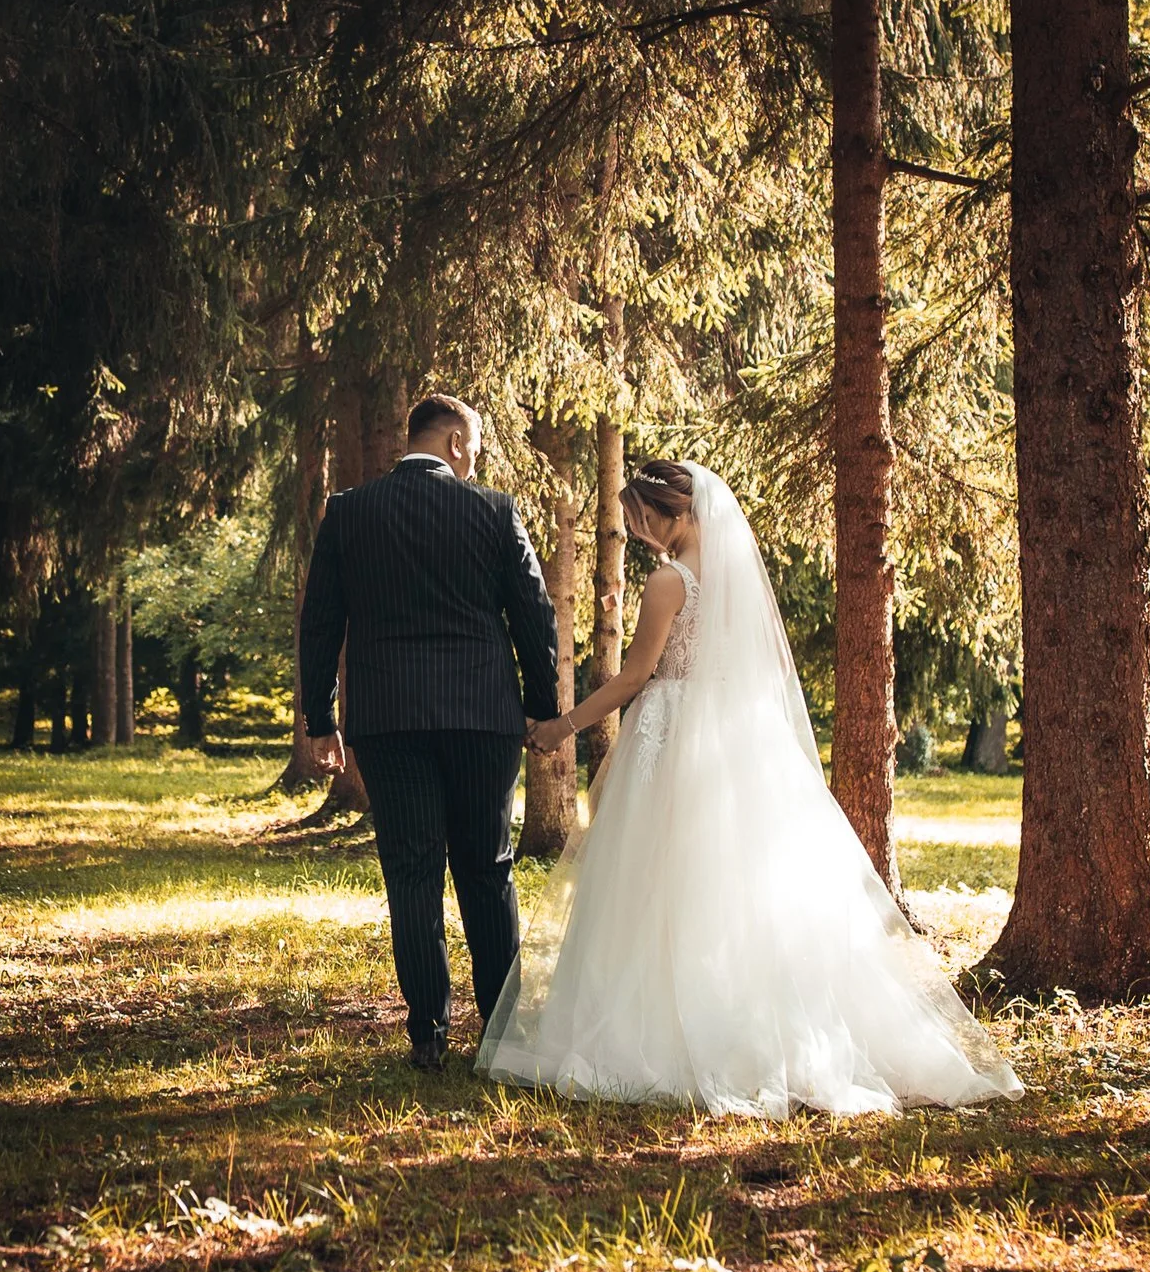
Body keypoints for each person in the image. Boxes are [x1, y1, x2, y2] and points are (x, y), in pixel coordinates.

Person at [479, 460, 1019, 1118]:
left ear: (676, 514)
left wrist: (562, 725)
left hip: (674, 737)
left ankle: (662, 1033)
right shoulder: (737, 581)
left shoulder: (667, 583)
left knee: (656, 882)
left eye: (643, 519)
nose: (639, 532)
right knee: (737, 886)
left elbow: (632, 680)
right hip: (740, 739)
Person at [298, 392, 562, 1071]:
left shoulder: (349, 513)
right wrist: (543, 708)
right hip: (482, 717)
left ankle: (428, 1033)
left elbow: (321, 621)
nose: (475, 460)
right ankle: (502, 1032)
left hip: (390, 721)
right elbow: (534, 617)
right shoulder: (495, 511)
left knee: (412, 871)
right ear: (452, 442)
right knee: (487, 868)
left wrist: (321, 720)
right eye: (472, 446)